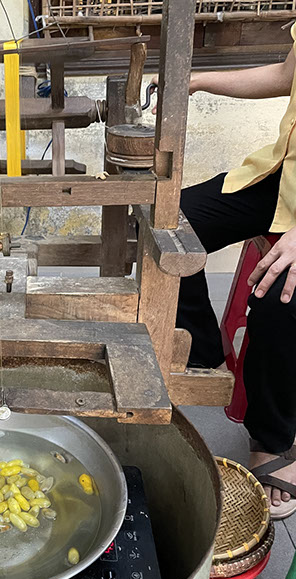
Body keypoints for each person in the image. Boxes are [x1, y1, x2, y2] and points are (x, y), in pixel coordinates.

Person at [159, 21, 296, 520]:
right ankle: (205, 355)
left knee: (277, 296)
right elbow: (287, 74)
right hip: (284, 175)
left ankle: (272, 439)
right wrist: (198, 81)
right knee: (173, 223)